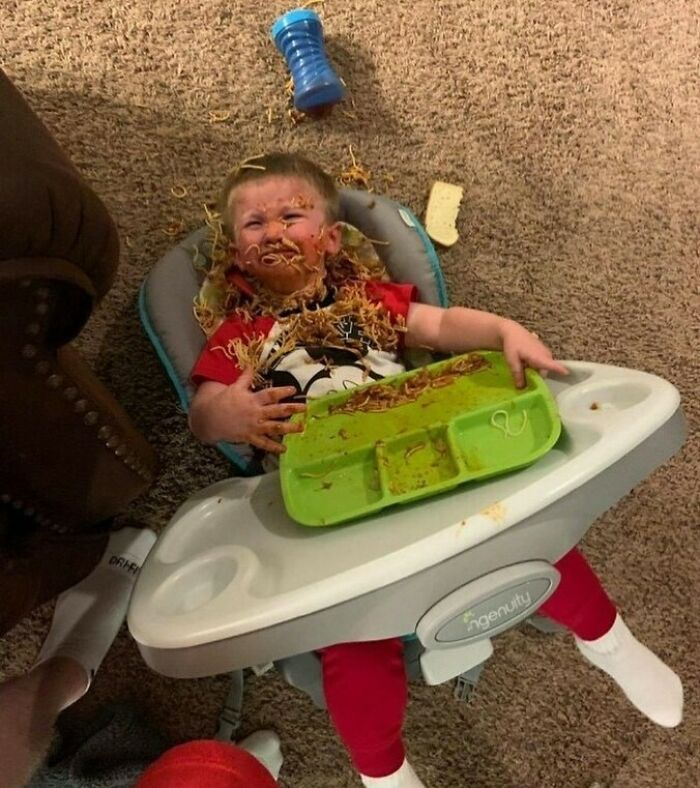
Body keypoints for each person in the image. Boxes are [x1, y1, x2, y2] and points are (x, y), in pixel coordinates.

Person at [188, 152, 683, 788]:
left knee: (536, 538)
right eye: (254, 224)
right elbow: (203, 416)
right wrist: (229, 412)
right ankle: (384, 774)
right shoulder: (240, 331)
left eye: (292, 215)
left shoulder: (364, 299)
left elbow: (443, 326)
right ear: (236, 251)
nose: (274, 230)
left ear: (332, 239)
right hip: (325, 495)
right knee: (348, 639)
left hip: (423, 450)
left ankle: (609, 642)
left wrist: (504, 330)